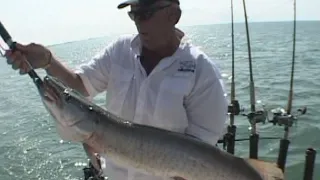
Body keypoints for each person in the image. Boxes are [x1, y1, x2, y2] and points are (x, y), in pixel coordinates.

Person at [5, 0, 228, 179]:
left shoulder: (202, 72)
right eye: (133, 14)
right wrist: (47, 60)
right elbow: (81, 86)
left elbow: (203, 151)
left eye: (146, 13)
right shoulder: (119, 51)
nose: (138, 22)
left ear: (173, 15)